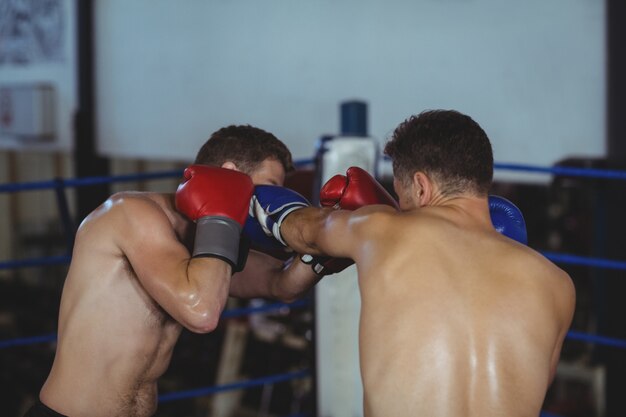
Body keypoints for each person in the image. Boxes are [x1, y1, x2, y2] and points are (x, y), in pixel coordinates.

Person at [249, 110, 576, 417]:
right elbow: (528, 383)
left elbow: (303, 229)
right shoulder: (557, 285)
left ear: (421, 186)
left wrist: (252, 191)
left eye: (400, 197)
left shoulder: (381, 229)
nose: (399, 207)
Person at [25, 125, 325, 417]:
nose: (268, 206)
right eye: (269, 188)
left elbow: (283, 284)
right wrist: (222, 214)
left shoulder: (205, 243)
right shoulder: (130, 212)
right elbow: (201, 313)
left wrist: (328, 243)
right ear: (231, 176)